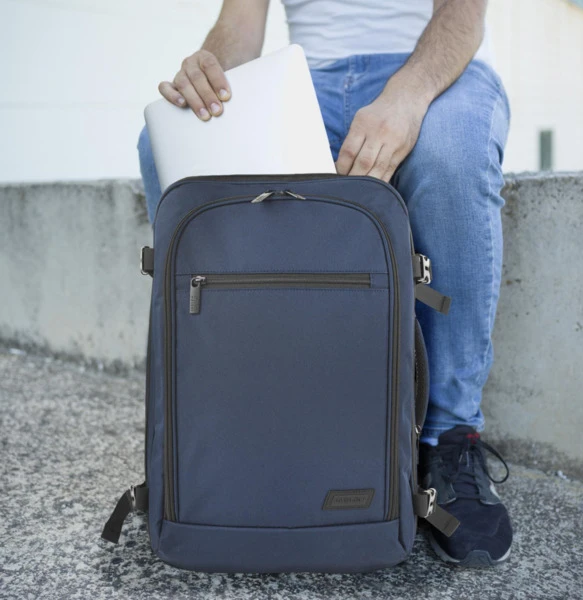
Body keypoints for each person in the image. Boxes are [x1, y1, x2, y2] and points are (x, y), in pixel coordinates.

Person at [137, 0, 512, 567]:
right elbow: (240, 25)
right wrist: (208, 68)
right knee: (162, 141)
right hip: (302, 75)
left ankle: (450, 439)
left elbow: (463, 15)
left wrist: (407, 96)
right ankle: (215, 419)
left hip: (432, 69)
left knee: (450, 160)